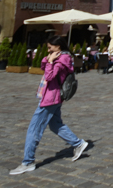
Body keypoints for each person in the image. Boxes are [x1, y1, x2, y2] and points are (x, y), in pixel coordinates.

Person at [10, 36, 88, 175]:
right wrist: (48, 59)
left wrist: (51, 62)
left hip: (50, 98)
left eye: (50, 47)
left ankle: (28, 162)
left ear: (58, 46)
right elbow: (42, 66)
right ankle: (78, 144)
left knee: (33, 129)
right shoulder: (59, 57)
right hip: (53, 97)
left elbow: (49, 76)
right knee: (55, 124)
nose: (48, 49)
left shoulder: (62, 60)